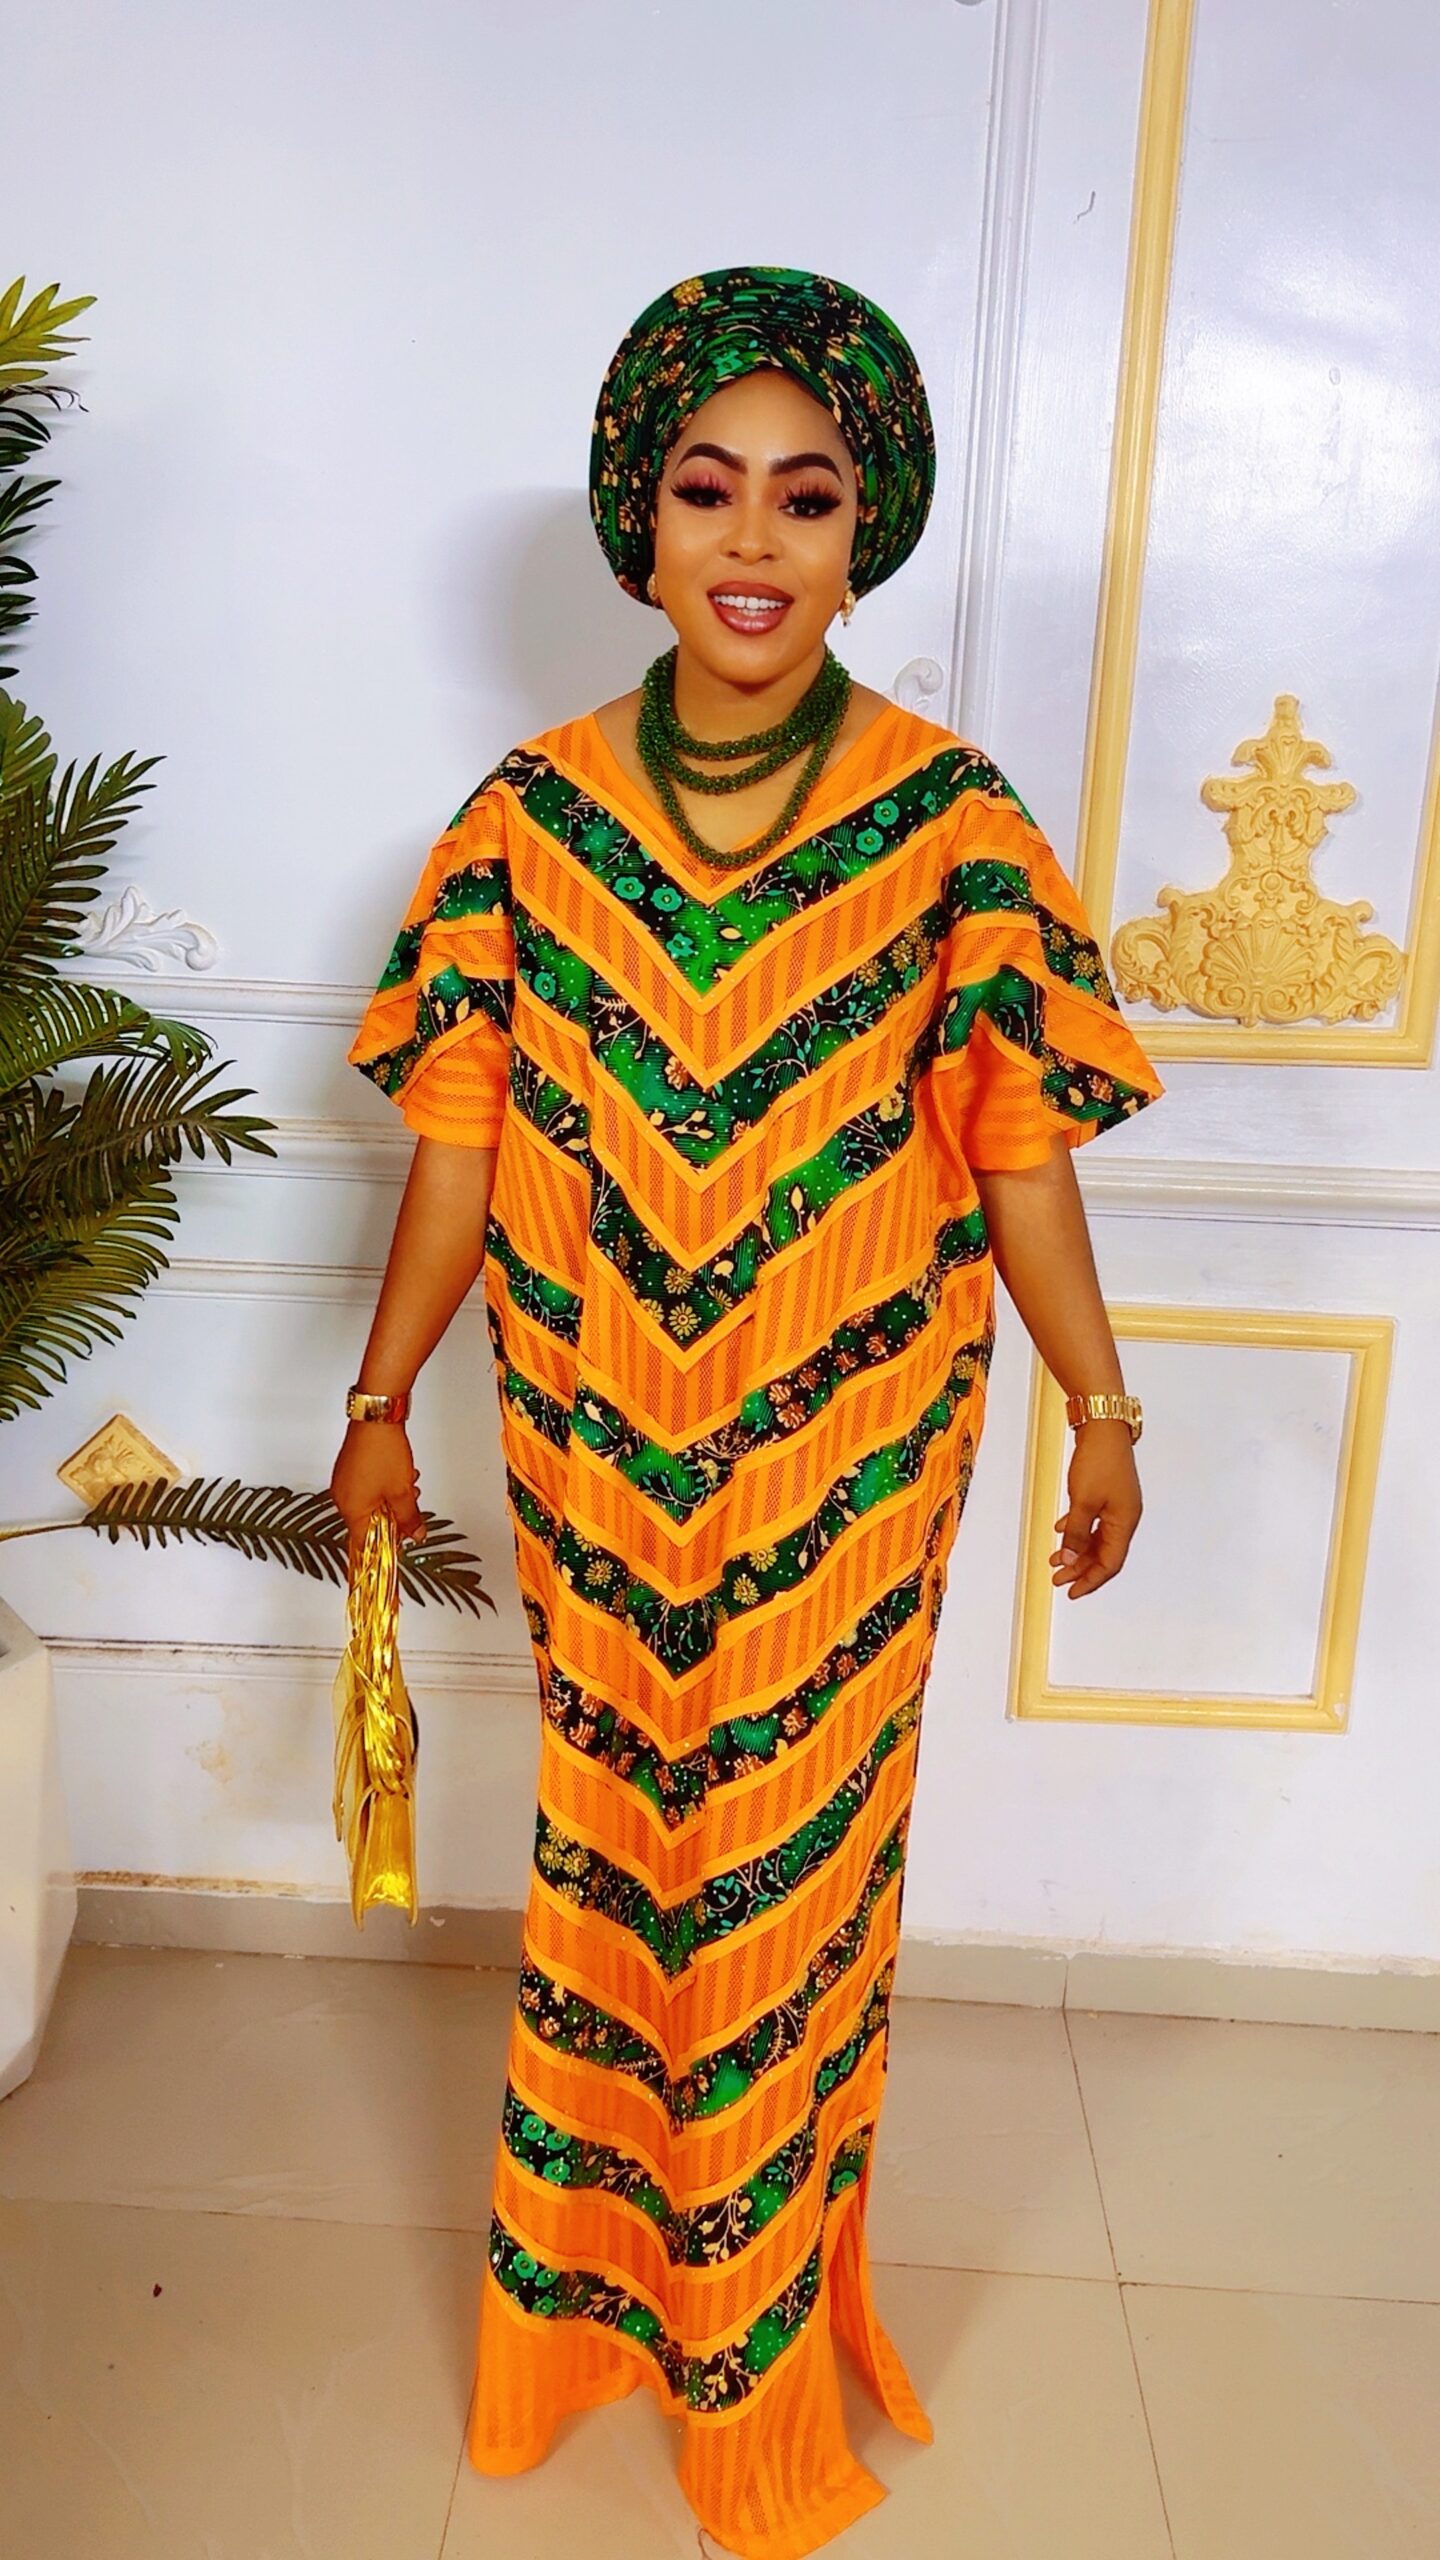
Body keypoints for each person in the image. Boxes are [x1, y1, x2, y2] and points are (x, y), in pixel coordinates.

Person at [332, 265, 1163, 2560]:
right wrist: (380, 1395)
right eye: (711, 487)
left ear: (864, 529)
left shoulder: (952, 824)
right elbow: (459, 1149)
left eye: (809, 495)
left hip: (856, 1464)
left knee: (788, 1888)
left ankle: (753, 2364)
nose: (756, 539)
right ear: (644, 516)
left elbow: (1020, 1152)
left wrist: (1101, 1405)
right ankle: (587, 2316)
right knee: (619, 1855)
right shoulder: (525, 823)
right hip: (596, 1456)